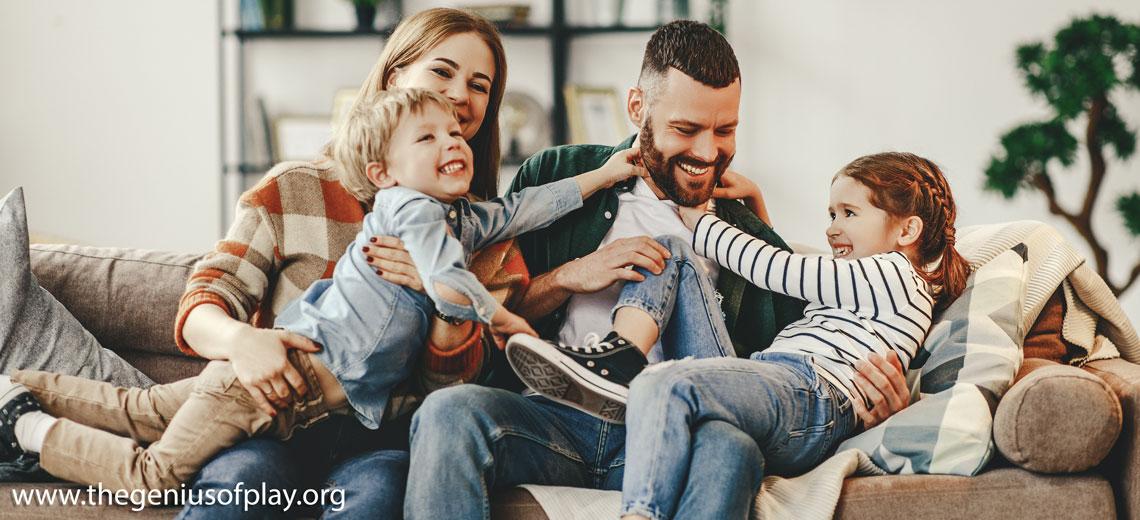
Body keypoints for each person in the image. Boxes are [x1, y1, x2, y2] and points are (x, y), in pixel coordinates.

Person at [0, 87, 644, 494]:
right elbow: (448, 282)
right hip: (271, 378)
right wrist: (508, 321)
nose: (454, 140)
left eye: (459, 131)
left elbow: (525, 206)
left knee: (135, 409)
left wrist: (605, 172)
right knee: (155, 473)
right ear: (381, 172)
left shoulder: (460, 219)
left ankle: (16, 388)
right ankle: (29, 431)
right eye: (430, 135)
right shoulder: (409, 210)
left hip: (302, 406)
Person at [404, 20, 915, 519]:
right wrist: (568, 276)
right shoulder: (559, 174)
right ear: (637, 107)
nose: (707, 152)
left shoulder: (741, 232)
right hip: (553, 420)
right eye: (685, 129)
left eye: (725, 130)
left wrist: (870, 404)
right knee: (448, 415)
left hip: (672, 434)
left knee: (732, 448)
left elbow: (781, 370)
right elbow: (495, 317)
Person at [174, 8, 516, 518]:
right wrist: (242, 341)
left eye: (479, 85)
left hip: (379, 444)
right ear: (395, 76)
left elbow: (449, 396)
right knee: (237, 487)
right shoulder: (294, 186)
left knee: (376, 500)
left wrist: (440, 293)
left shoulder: (482, 232)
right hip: (272, 425)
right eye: (442, 71)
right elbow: (204, 302)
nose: (461, 94)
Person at [616, 151, 970, 520]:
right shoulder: (863, 286)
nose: (832, 228)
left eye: (849, 213)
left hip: (812, 392)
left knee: (664, 383)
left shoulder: (894, 273)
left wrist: (700, 220)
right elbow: (788, 286)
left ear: (907, 231)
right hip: (782, 389)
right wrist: (754, 201)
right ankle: (619, 354)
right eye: (832, 214)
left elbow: (778, 270)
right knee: (725, 445)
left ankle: (638, 511)